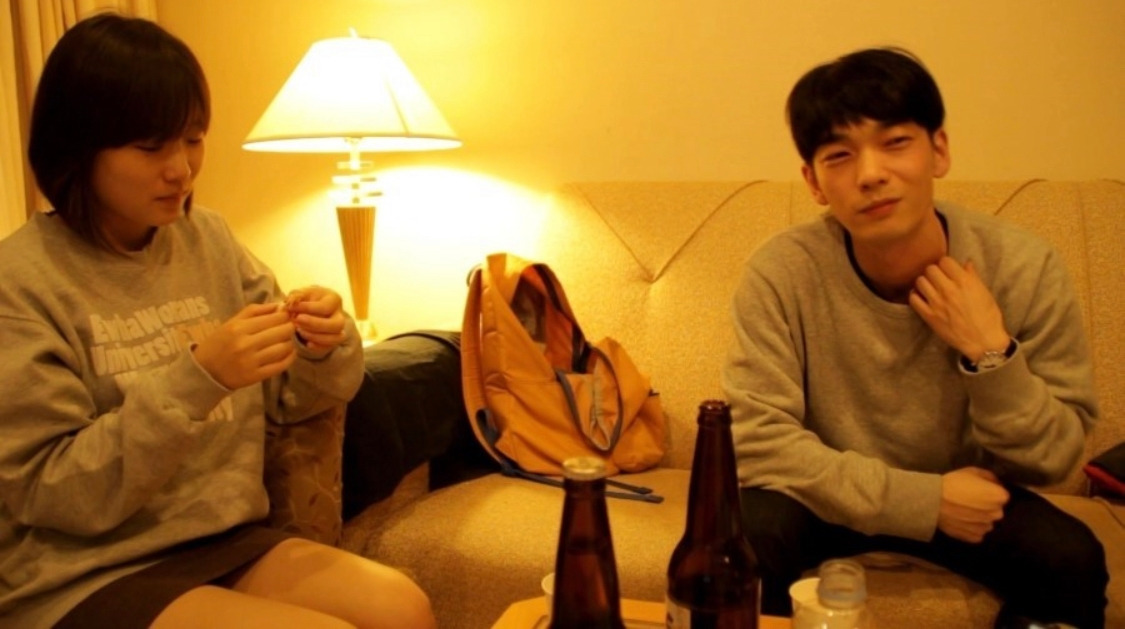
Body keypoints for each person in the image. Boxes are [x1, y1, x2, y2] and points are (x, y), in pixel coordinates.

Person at [0, 12, 435, 629]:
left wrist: (321, 343)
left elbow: (294, 397)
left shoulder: (209, 240)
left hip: (220, 539)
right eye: (151, 147)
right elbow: (50, 490)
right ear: (78, 147)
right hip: (83, 570)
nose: (181, 168)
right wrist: (199, 378)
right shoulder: (20, 283)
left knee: (402, 606)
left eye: (193, 139)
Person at [722, 47, 1107, 628]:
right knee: (744, 535)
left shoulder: (1025, 268)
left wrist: (990, 354)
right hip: (826, 494)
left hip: (973, 500)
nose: (870, 174)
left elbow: (1053, 460)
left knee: (1071, 558)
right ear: (814, 182)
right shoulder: (781, 271)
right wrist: (924, 502)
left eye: (896, 142)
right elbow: (756, 443)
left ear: (939, 150)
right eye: (839, 155)